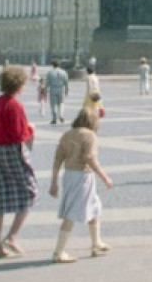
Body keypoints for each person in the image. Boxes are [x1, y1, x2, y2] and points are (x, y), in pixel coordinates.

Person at [0, 64, 38, 256]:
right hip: (12, 152)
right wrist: (31, 129)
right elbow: (18, 134)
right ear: (18, 85)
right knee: (29, 192)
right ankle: (12, 237)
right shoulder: (15, 106)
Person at [48, 109, 114, 262]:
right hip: (83, 176)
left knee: (94, 207)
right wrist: (105, 178)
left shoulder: (67, 134)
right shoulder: (90, 135)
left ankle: (96, 242)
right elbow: (90, 158)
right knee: (72, 213)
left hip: (69, 175)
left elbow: (58, 159)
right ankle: (59, 252)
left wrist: (54, 182)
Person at [44, 60, 69, 125]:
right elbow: (66, 82)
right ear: (59, 65)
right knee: (61, 103)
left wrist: (45, 91)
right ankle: (61, 115)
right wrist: (66, 89)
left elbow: (47, 83)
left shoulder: (50, 72)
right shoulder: (63, 72)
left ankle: (54, 118)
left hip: (53, 88)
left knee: (53, 104)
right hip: (61, 89)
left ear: (53, 65)